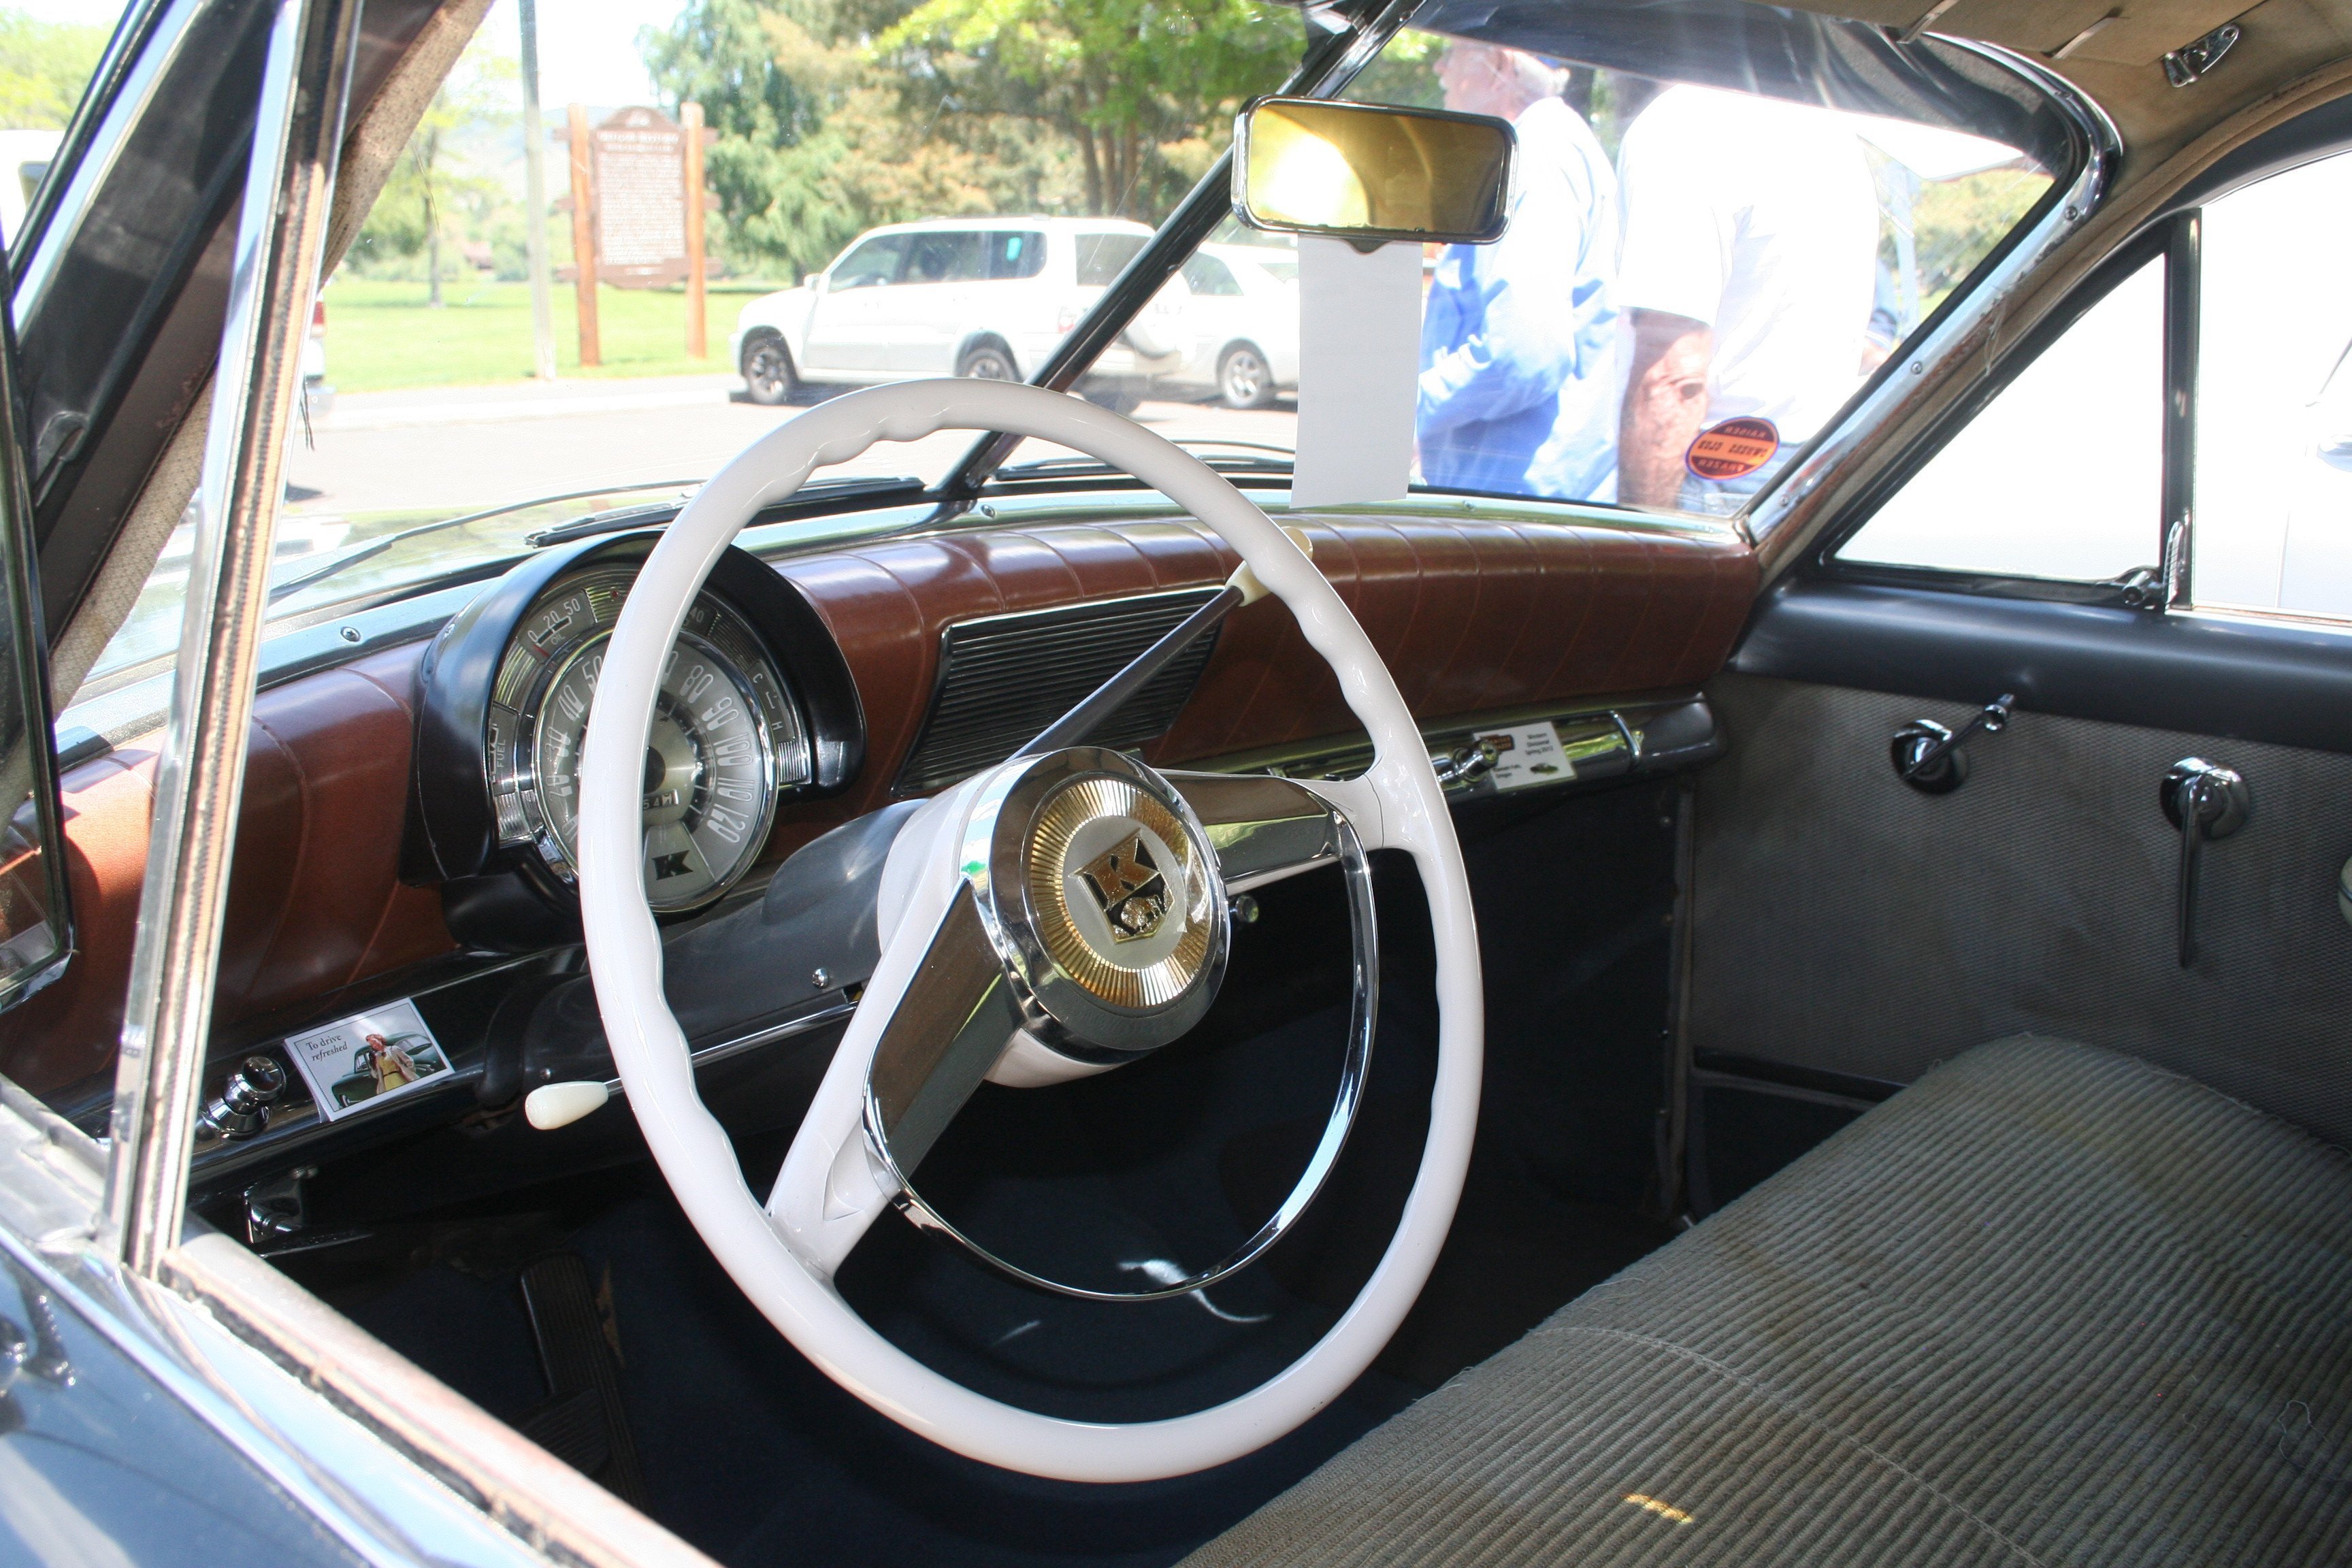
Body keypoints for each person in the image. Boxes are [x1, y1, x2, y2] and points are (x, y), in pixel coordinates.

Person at [1607, 84, 1879, 512]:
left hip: (1719, 469)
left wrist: (1640, 535)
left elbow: (1672, 377)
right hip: (1818, 458)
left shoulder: (1685, 125)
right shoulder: (1828, 126)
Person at [1416, 42, 1619, 497]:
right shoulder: (1548, 145)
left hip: (1513, 506)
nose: (1440, 66)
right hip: (1523, 500)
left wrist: (1403, 411)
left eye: (1452, 52)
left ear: (1500, 64)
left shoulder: (1536, 154)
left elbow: (1524, 354)